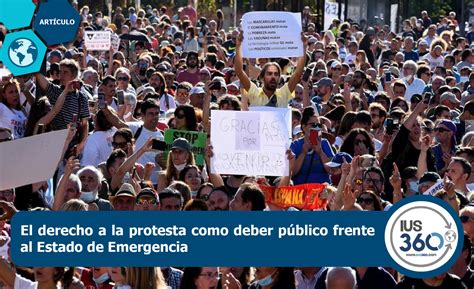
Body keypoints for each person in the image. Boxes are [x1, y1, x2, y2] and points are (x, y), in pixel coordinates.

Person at [235, 32, 307, 107]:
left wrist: (304, 47)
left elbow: (298, 73)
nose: (273, 77)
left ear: (279, 78)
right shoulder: (254, 92)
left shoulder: (284, 94)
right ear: (262, 77)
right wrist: (238, 46)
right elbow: (239, 72)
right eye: (269, 74)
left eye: (276, 74)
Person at [35, 59, 90, 154]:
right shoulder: (55, 91)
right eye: (60, 71)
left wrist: (81, 144)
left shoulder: (82, 98)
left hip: (72, 147)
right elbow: (39, 78)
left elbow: (84, 124)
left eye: (65, 72)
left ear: (73, 76)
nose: (61, 75)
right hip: (54, 144)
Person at [291, 107, 334, 185]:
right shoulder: (295, 145)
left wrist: (320, 152)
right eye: (313, 125)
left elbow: (331, 170)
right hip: (300, 189)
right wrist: (303, 153)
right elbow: (292, 172)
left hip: (322, 189)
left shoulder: (324, 143)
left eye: (319, 125)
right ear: (304, 127)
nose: (316, 128)